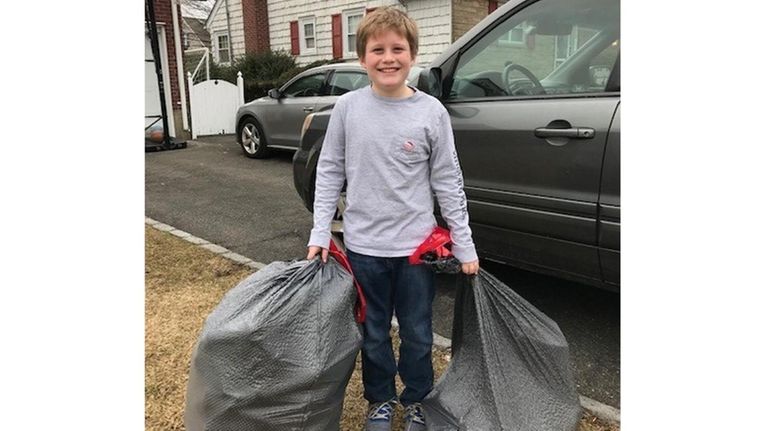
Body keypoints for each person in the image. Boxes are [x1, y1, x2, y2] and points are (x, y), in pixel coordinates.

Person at [306, 7, 479, 431]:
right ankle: (380, 401)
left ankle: (417, 400)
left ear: (413, 55)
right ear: (362, 59)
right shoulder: (348, 108)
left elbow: (447, 180)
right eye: (377, 49)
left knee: (419, 334)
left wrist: (465, 242)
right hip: (364, 248)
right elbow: (329, 171)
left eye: (397, 49)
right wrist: (320, 232)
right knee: (374, 333)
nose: (388, 57)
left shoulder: (431, 113)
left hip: (417, 252)